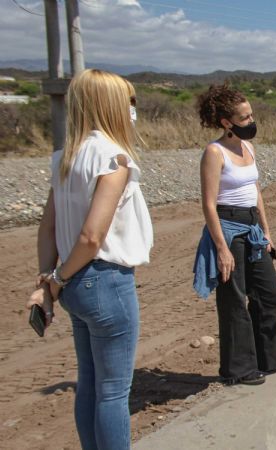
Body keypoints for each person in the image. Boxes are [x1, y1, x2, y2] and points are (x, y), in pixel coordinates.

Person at [27, 68, 154, 449]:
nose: (132, 110)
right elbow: (91, 236)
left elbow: (48, 228)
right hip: (106, 281)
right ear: (111, 106)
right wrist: (57, 280)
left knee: (90, 384)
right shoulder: (114, 160)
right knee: (113, 392)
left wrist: (48, 280)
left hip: (75, 287)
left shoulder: (64, 158)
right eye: (128, 102)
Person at [193, 84, 276, 386]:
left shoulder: (248, 147)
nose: (251, 121)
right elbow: (208, 204)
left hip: (252, 228)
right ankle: (238, 369)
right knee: (234, 302)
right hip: (228, 228)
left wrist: (266, 231)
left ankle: (270, 356)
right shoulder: (214, 152)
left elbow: (256, 191)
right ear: (226, 122)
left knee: (270, 295)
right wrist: (221, 248)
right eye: (245, 117)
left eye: (251, 115)